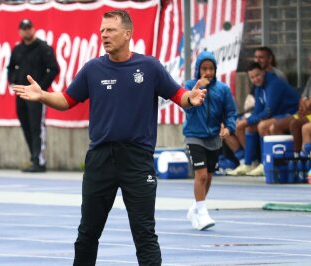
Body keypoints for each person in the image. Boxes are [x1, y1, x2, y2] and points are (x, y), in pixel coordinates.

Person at [13, 10, 206, 265]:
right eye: (102, 30)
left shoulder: (149, 67)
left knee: (144, 235)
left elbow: (178, 94)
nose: (104, 34)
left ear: (127, 34)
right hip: (100, 159)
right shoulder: (93, 69)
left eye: (111, 30)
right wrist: (44, 95)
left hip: (137, 161)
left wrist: (190, 99)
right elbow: (67, 100)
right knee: (87, 234)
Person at [183, 51, 237, 230]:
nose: (207, 72)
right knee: (201, 175)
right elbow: (188, 109)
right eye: (204, 68)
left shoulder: (223, 89)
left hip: (214, 137)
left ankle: (196, 208)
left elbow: (230, 111)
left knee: (210, 176)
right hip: (194, 136)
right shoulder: (190, 86)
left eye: (211, 68)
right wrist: (194, 94)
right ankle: (203, 213)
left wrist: (229, 127)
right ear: (198, 69)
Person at [227, 62, 299, 176]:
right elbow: (257, 111)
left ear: (263, 72)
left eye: (257, 75)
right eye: (252, 77)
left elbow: (269, 111)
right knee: (249, 127)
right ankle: (249, 163)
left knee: (262, 125)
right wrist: (246, 122)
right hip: (277, 115)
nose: (255, 79)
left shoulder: (274, 84)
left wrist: (246, 121)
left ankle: (265, 162)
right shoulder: (258, 87)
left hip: (291, 114)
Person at [7, 19, 60, 173]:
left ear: (33, 29)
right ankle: (33, 158)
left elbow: (53, 68)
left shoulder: (43, 48)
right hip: (21, 95)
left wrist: (41, 89)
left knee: (37, 127)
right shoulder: (17, 49)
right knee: (26, 126)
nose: (26, 31)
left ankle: (39, 161)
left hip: (37, 96)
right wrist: (12, 82)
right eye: (23, 28)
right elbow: (10, 68)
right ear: (19, 31)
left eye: (28, 28)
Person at [271, 45, 311, 157]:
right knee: (276, 126)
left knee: (296, 124)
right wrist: (306, 108)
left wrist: (308, 111)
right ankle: (282, 159)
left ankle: (297, 157)